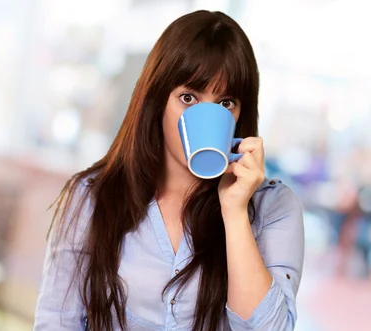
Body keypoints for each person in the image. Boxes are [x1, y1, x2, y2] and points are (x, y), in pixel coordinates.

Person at [33, 10, 304, 331]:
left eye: (225, 103)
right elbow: (57, 323)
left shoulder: (273, 207)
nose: (207, 115)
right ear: (157, 101)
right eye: (188, 98)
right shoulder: (91, 196)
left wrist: (235, 213)